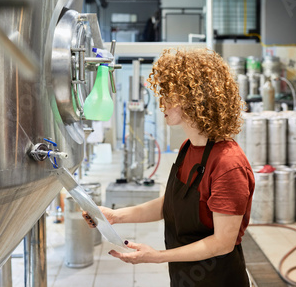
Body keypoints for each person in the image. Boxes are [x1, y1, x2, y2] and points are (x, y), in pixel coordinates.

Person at [84, 48, 255, 286]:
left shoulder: (228, 164)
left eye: (169, 94)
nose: (161, 101)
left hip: (219, 280)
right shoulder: (188, 148)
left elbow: (222, 243)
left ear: (195, 98)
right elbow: (171, 205)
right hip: (184, 278)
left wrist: (156, 257)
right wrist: (115, 216)